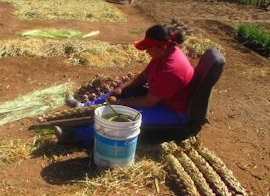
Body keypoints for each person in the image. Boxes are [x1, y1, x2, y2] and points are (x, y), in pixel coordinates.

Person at [55, 24, 195, 145]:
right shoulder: (163, 54)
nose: (146, 51)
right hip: (161, 99)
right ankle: (85, 107)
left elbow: (148, 102)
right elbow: (144, 76)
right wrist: (121, 89)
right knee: (121, 92)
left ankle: (76, 136)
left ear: (162, 47)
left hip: (173, 112)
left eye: (149, 48)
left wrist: (121, 102)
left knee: (124, 115)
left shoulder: (172, 69)